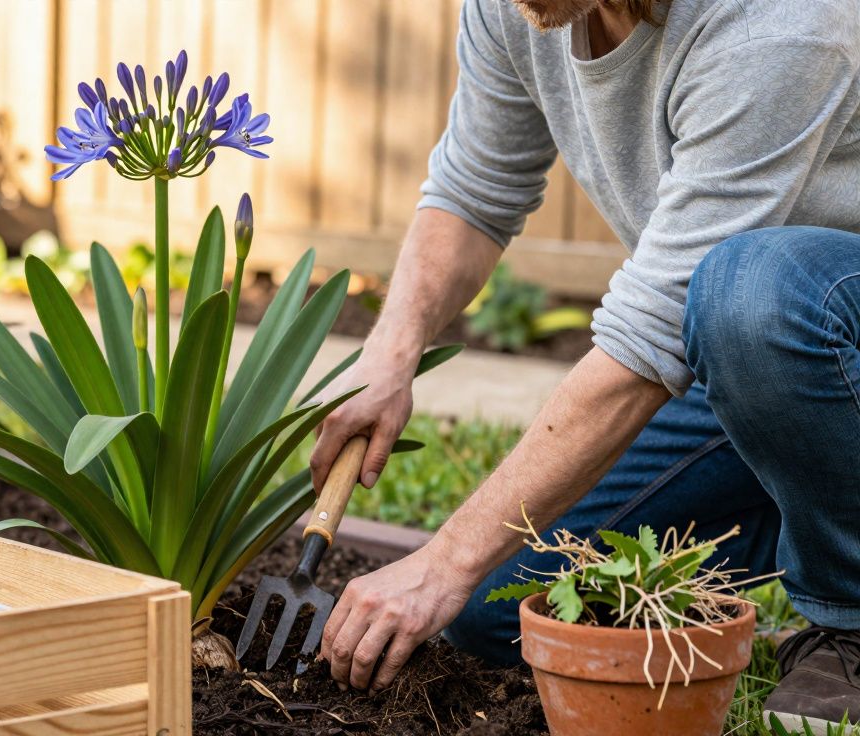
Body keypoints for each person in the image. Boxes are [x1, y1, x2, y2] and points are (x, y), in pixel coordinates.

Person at [308, 0, 860, 730]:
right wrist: (390, 353)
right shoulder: (519, 8)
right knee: (495, 609)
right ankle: (811, 506)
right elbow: (476, 189)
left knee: (749, 290)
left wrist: (443, 561)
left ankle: (849, 620)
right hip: (754, 365)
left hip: (811, 321)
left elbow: (649, 333)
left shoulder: (784, 20)